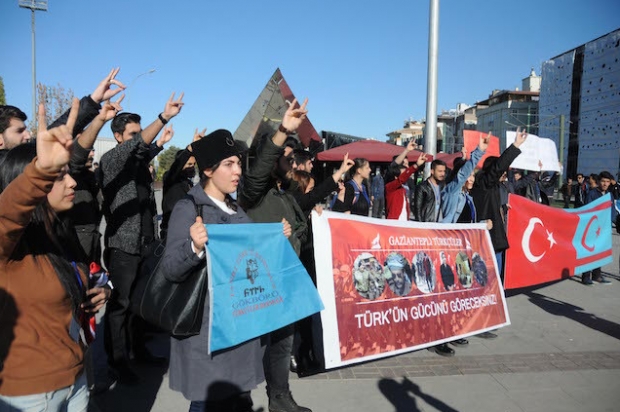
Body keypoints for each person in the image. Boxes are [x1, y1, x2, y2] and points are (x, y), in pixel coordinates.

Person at [159, 129, 291, 412]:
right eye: (229, 164)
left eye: (239, 164)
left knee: (237, 400)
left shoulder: (235, 209)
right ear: (208, 170)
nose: (237, 171)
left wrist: (275, 236)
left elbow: (250, 253)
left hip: (240, 326)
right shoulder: (189, 208)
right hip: (209, 334)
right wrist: (193, 247)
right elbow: (170, 268)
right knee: (208, 402)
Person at [0, 101, 110, 411]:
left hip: (74, 382)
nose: (72, 181)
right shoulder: (9, 246)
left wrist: (102, 291)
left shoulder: (59, 234)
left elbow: (88, 276)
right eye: (57, 178)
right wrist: (40, 172)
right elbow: (6, 216)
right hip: (30, 397)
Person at [100, 93, 183, 383]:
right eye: (133, 134)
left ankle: (139, 349)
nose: (139, 138)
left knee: (139, 304)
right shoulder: (111, 160)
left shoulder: (135, 164)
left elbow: (144, 152)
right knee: (120, 306)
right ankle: (117, 361)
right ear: (119, 137)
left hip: (145, 245)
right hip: (123, 248)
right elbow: (139, 148)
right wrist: (162, 118)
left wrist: (160, 143)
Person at [238, 99, 312, 412]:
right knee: (255, 347)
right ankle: (238, 400)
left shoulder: (281, 194)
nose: (292, 160)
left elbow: (300, 226)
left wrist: (294, 232)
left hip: (286, 278)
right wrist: (281, 131)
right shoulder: (252, 190)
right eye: (286, 156)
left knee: (282, 344)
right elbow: (259, 171)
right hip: (260, 281)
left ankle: (280, 398)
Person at [470, 127, 528, 282]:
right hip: (488, 241)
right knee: (489, 283)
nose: (504, 173)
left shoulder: (495, 186)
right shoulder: (485, 183)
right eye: (500, 170)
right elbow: (498, 167)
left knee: (495, 283)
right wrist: (515, 146)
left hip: (495, 242)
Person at [161, 128, 206, 240]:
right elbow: (177, 166)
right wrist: (191, 147)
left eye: (193, 164)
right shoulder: (170, 178)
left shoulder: (189, 183)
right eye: (189, 164)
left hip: (189, 232)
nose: (192, 167)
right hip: (172, 233)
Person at [581, 171, 614, 285]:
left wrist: (609, 223)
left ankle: (597, 275)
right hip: (592, 227)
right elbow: (588, 209)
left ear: (610, 183)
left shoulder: (609, 195)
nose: (605, 184)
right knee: (589, 251)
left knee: (600, 251)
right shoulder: (592, 194)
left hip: (604, 228)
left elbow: (612, 210)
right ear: (599, 182)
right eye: (603, 181)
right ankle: (585, 276)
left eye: (607, 182)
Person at [385, 146, 427, 221]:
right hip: (394, 222)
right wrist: (415, 165)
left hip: (404, 222)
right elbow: (395, 170)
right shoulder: (390, 186)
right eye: (404, 165)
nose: (407, 167)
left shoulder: (405, 185)